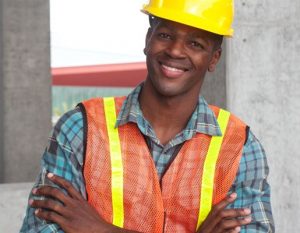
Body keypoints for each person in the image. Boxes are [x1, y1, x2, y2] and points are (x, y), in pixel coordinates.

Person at [20, 0, 274, 232]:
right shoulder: (81, 128)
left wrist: (103, 229)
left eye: (195, 43)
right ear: (148, 39)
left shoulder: (238, 147)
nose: (175, 51)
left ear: (213, 58)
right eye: (165, 35)